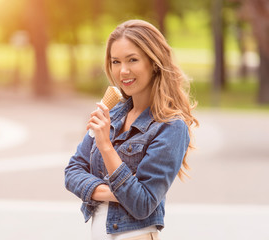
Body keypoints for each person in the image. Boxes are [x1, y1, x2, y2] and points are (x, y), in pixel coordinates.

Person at [64, 19, 198, 240]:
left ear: (154, 63)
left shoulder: (171, 127)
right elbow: (72, 172)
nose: (123, 71)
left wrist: (105, 145)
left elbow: (143, 203)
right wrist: (120, 191)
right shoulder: (112, 113)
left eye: (132, 60)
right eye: (116, 61)